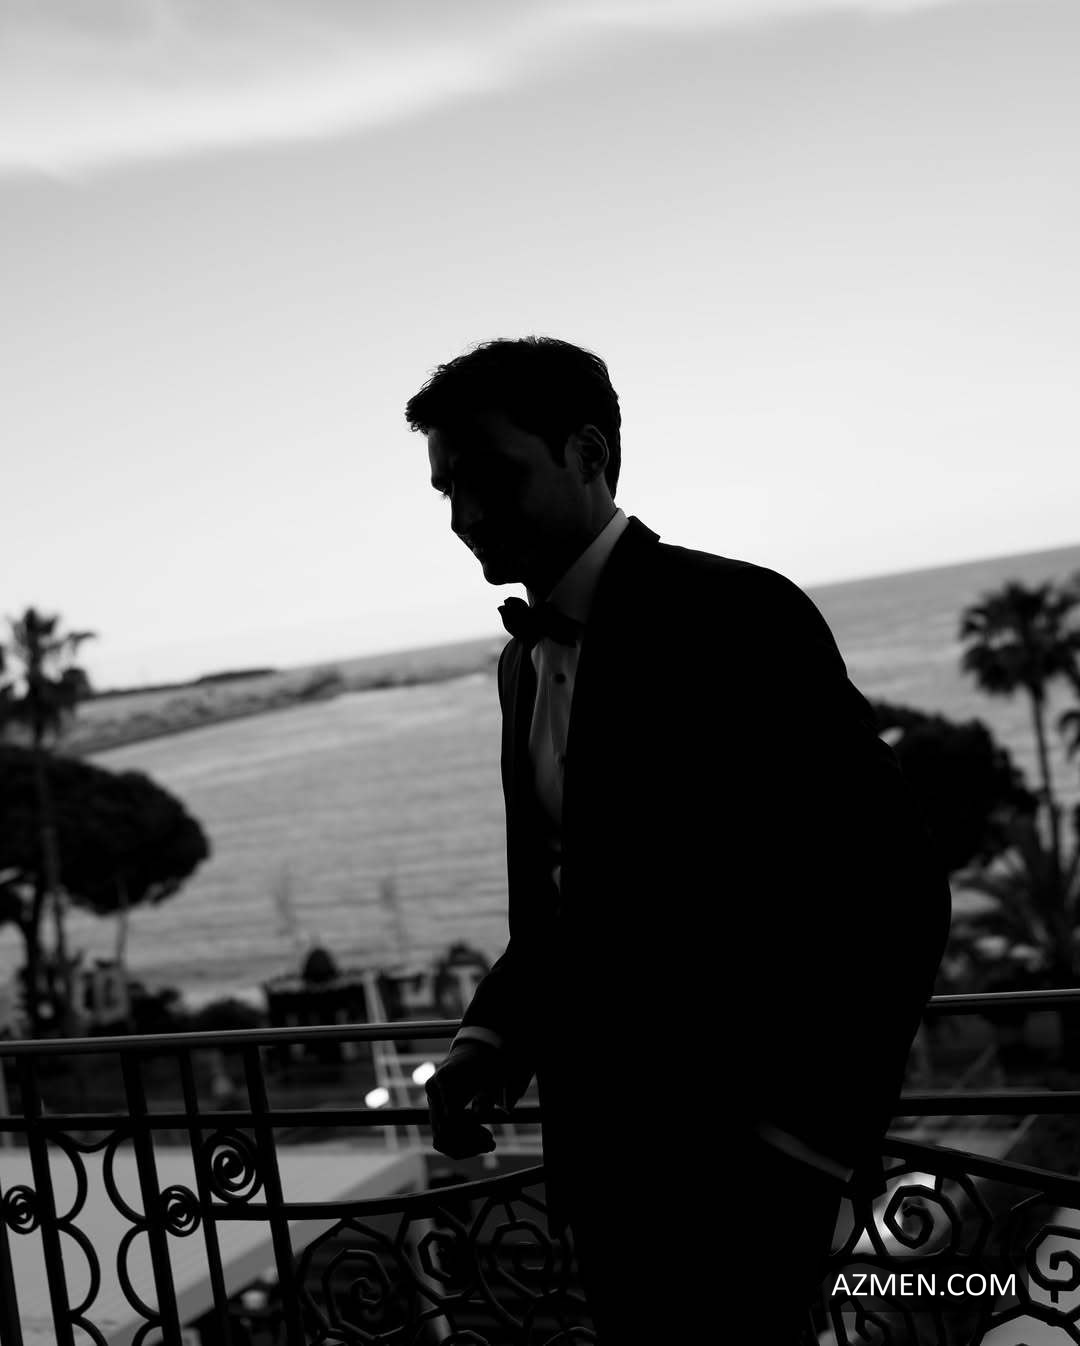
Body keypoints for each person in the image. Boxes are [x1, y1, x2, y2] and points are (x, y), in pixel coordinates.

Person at [406, 336, 951, 1341]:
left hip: (749, 1172)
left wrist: (805, 1145)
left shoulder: (736, 613)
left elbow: (896, 886)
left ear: (589, 452)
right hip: (604, 1169)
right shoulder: (520, 669)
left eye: (491, 477)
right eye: (447, 489)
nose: (463, 516)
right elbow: (572, 903)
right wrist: (489, 1040)